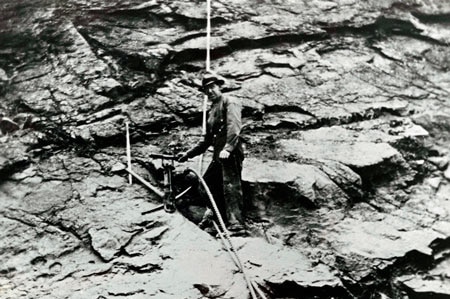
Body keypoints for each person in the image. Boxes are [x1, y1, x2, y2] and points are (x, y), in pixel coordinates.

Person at [177, 71, 245, 233]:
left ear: (219, 86)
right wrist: (188, 154)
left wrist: (228, 148)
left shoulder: (230, 101)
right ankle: (219, 219)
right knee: (205, 184)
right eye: (206, 89)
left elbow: (234, 127)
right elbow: (206, 140)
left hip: (230, 152)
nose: (210, 91)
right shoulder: (212, 110)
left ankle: (237, 226)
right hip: (218, 156)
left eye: (212, 87)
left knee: (230, 186)